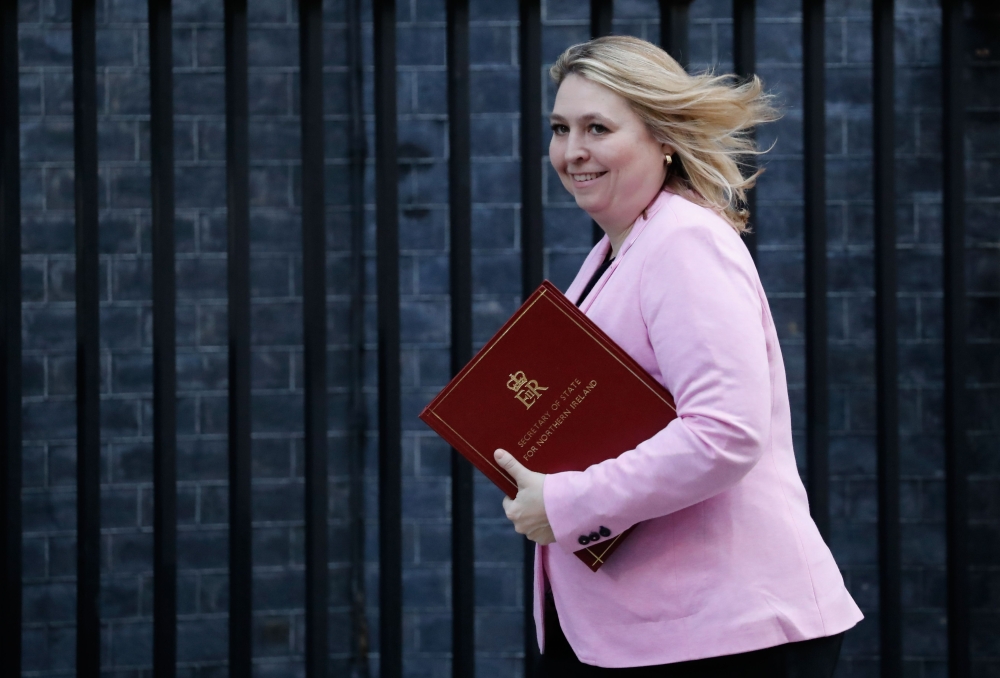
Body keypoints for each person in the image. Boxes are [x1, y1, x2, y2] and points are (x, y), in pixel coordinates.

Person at [492, 36, 863, 677]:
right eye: (560, 128)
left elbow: (726, 432)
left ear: (663, 138)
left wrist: (567, 503)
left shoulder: (684, 243)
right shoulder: (621, 251)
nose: (572, 150)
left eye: (597, 128)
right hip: (664, 629)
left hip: (725, 634)